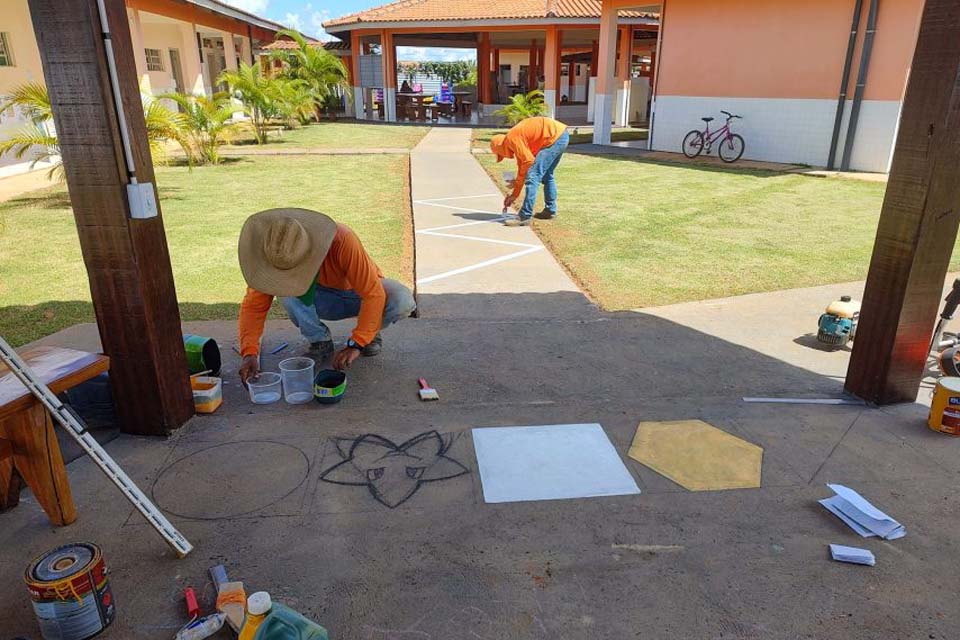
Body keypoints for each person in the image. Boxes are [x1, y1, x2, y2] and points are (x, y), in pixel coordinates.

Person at [236, 208, 416, 382]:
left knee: (402, 300)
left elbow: (372, 294)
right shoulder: (272, 255)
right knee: (284, 289)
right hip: (320, 299)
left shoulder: (342, 239)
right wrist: (249, 353)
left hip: (356, 295)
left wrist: (357, 343)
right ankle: (320, 341)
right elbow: (254, 307)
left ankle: (371, 333)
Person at [489, 116, 570, 227]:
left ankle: (525, 216)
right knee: (547, 175)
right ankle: (550, 210)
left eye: (500, 155)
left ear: (500, 147)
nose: (504, 157)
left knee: (533, 176)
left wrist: (518, 183)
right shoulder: (514, 141)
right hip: (561, 135)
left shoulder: (512, 139)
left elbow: (528, 161)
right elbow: (522, 167)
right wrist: (514, 195)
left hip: (554, 138)